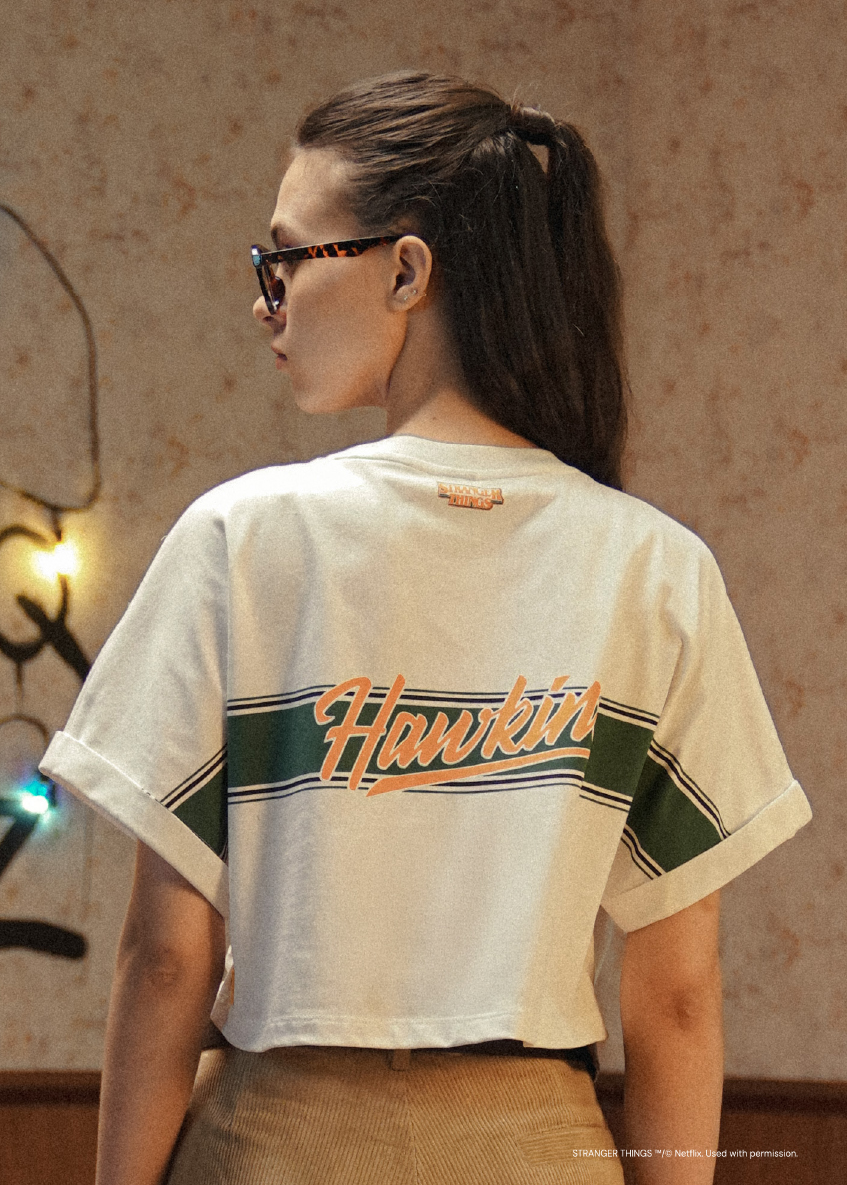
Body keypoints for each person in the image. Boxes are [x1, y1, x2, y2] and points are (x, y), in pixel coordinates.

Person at [41, 71, 811, 1185]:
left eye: (285, 259)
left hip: (277, 1144)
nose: (264, 302)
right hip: (539, 1148)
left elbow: (166, 959)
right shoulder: (656, 568)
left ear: (405, 270)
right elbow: (678, 999)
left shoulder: (241, 539)